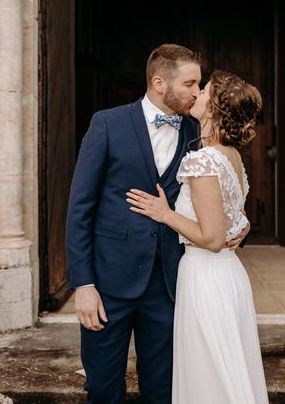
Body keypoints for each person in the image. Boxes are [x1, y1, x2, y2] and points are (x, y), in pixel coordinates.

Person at [66, 45, 248, 403]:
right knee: (102, 388)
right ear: (159, 82)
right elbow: (80, 208)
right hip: (109, 282)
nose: (197, 93)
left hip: (170, 284)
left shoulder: (199, 133)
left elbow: (220, 190)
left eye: (199, 85)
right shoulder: (108, 123)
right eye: (190, 83)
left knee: (164, 388)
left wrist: (239, 226)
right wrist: (83, 284)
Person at [126, 69, 269, 403]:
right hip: (227, 274)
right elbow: (232, 216)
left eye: (204, 90)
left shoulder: (203, 161)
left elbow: (212, 237)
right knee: (225, 369)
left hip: (207, 276)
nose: (197, 93)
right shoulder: (230, 156)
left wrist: (165, 214)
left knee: (210, 373)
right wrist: (242, 224)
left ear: (215, 108)